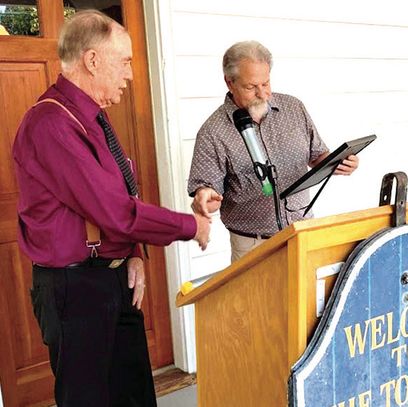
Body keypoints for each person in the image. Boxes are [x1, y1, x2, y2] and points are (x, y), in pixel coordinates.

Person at [12, 10, 210, 407]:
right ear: (92, 60)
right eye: (125, 62)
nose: (130, 74)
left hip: (111, 279)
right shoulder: (52, 124)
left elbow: (120, 188)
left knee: (134, 395)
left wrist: (133, 253)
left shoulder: (94, 118)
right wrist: (191, 225)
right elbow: (113, 210)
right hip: (76, 289)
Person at [188, 40, 359, 261]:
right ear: (229, 82)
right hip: (252, 245)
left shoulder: (294, 108)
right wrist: (205, 197)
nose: (262, 93)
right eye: (251, 87)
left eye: (266, 83)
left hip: (303, 231)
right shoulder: (213, 131)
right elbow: (209, 194)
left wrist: (341, 161)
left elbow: (317, 156)